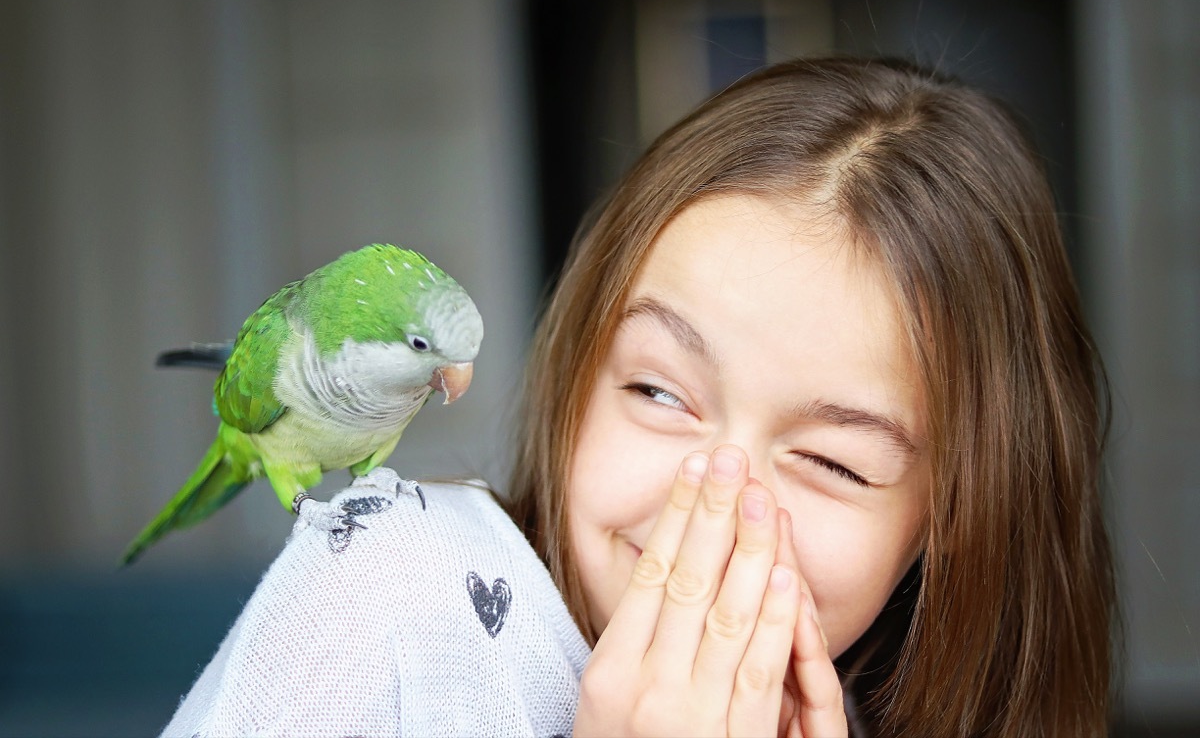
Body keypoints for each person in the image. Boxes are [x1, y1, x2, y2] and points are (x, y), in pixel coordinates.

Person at [163, 57, 1116, 738]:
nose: (707, 499)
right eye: (659, 391)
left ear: (953, 511)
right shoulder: (385, 598)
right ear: (580, 368)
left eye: (831, 460)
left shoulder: (840, 707)